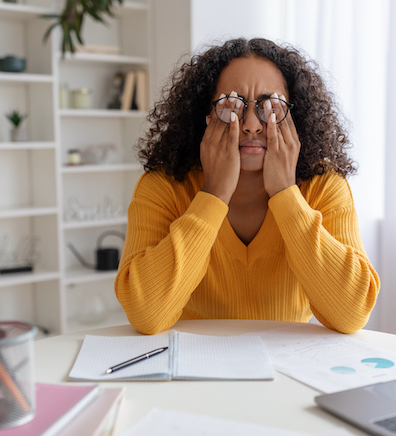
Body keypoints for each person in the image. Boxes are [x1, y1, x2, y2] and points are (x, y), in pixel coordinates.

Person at [114, 37, 380, 335]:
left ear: (296, 118)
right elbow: (145, 314)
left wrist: (285, 193)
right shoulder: (163, 186)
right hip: (194, 367)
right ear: (206, 117)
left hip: (287, 369)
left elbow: (352, 314)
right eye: (232, 106)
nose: (252, 124)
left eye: (272, 107)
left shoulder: (324, 186)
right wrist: (213, 195)